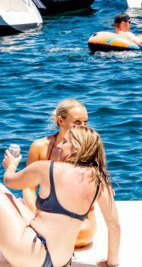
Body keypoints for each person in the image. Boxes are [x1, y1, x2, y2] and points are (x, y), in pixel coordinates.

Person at [1, 126, 120, 267]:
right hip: (62, 261)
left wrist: (11, 166)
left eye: (64, 142)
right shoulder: (100, 181)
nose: (58, 145)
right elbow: (114, 225)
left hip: (30, 255)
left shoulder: (47, 168)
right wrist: (111, 263)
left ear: (76, 147)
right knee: (17, 202)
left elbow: (10, 181)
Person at [23, 99, 96, 249]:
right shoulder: (39, 147)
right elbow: (28, 188)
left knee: (81, 237)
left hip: (79, 215)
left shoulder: (88, 148)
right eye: (77, 122)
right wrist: (34, 212)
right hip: (45, 211)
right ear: (60, 121)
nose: (83, 127)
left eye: (85, 122)